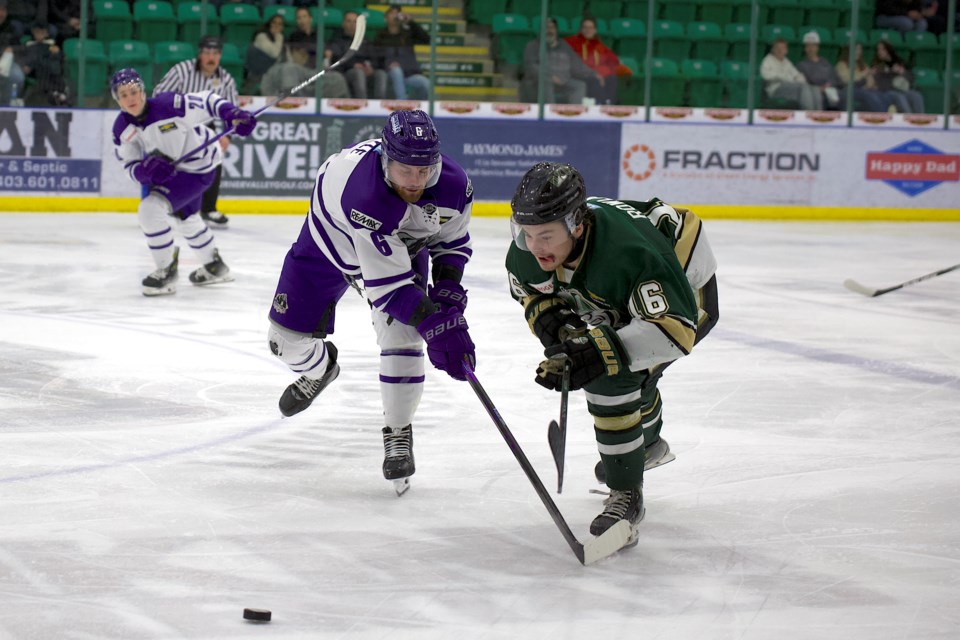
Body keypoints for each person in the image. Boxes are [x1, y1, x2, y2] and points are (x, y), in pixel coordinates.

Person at [505, 162, 718, 543]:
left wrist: (594, 352)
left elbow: (675, 331)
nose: (535, 247)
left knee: (614, 371)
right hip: (622, 292)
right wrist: (558, 330)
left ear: (576, 224)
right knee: (614, 364)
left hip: (683, 284)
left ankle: (627, 492)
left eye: (547, 236)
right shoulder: (531, 247)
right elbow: (531, 291)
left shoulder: (630, 255)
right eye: (527, 234)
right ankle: (646, 446)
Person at [267, 110, 475, 495]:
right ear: (384, 159)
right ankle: (320, 369)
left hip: (399, 246)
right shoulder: (363, 194)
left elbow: (451, 244)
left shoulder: (454, 185)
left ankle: (398, 431)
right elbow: (392, 290)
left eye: (423, 171)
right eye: (403, 171)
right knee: (284, 343)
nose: (414, 183)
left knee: (405, 336)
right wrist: (439, 326)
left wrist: (447, 297)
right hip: (328, 249)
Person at [111, 68, 256, 295]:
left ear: (142, 91)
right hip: (177, 172)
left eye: (133, 91)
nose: (130, 98)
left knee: (150, 210)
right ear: (117, 100)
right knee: (186, 216)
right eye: (123, 95)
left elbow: (208, 101)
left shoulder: (170, 106)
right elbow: (129, 164)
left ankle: (166, 270)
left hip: (199, 167)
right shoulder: (122, 128)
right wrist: (145, 172)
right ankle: (215, 267)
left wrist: (232, 113)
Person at [154, 36, 239, 229]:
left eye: (215, 53)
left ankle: (208, 209)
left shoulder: (225, 79)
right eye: (207, 53)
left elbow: (232, 110)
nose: (211, 57)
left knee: (213, 156)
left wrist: (227, 134)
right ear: (200, 54)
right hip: (174, 122)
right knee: (168, 162)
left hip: (203, 126)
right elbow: (159, 95)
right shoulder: (182, 71)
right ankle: (164, 204)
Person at [520, 17, 596, 104]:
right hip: (538, 83)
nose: (549, 30)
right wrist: (550, 76)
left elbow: (577, 65)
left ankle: (574, 114)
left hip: (562, 81)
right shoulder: (533, 46)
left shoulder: (565, 46)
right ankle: (550, 114)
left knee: (580, 85)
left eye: (552, 27)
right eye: (546, 27)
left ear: (556, 30)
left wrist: (594, 73)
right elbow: (531, 67)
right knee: (546, 83)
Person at [564, 16, 629, 105]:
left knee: (612, 78)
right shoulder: (571, 42)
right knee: (595, 80)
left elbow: (613, 61)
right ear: (581, 29)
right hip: (579, 74)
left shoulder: (599, 45)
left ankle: (608, 105)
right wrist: (596, 74)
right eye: (585, 27)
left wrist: (625, 71)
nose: (588, 30)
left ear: (595, 30)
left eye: (590, 28)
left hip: (596, 74)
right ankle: (599, 106)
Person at [373, 4, 431, 100]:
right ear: (386, 18)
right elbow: (376, 57)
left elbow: (426, 40)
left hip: (408, 74)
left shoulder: (407, 34)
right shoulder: (380, 36)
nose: (395, 16)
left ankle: (423, 111)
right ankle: (402, 105)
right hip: (389, 74)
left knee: (425, 83)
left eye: (397, 13)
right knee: (396, 71)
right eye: (392, 13)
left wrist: (411, 22)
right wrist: (388, 65)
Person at [327, 9, 386, 100]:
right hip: (347, 72)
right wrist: (353, 65)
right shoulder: (337, 41)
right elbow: (336, 61)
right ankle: (362, 104)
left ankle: (380, 104)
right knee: (358, 73)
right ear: (343, 24)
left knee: (381, 74)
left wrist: (371, 67)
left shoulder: (366, 41)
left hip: (366, 71)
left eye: (355, 22)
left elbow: (375, 58)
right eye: (349, 21)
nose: (352, 24)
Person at [260, 40, 349, 98]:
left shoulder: (308, 69)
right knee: (289, 69)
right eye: (301, 53)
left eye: (306, 54)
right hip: (288, 102)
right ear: (292, 52)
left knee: (337, 77)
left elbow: (314, 76)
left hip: (311, 91)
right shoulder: (284, 68)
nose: (304, 56)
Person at [759, 37, 823, 111]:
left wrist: (799, 80)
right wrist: (784, 78)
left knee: (814, 89)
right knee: (803, 88)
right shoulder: (768, 60)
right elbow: (765, 75)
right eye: (777, 48)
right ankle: (808, 113)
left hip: (790, 88)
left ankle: (819, 113)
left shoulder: (786, 62)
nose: (780, 50)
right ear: (772, 49)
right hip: (776, 89)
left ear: (786, 51)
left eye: (782, 48)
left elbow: (797, 75)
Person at [19, 21, 69, 106]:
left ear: (46, 33)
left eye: (42, 33)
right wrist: (28, 65)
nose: (40, 35)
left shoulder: (50, 45)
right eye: (37, 32)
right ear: (33, 32)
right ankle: (54, 92)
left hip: (50, 69)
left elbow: (61, 57)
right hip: (34, 70)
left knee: (52, 63)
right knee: (43, 64)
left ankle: (58, 91)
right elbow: (27, 58)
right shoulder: (29, 45)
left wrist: (57, 53)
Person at [835, 43, 893, 112]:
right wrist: (863, 74)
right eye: (856, 49)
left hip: (864, 90)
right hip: (848, 90)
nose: (858, 52)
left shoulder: (863, 65)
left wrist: (869, 83)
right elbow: (847, 79)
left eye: (860, 49)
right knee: (868, 95)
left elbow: (871, 82)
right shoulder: (841, 65)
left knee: (882, 95)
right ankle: (883, 116)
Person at [871, 39, 925, 113]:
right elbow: (880, 84)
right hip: (887, 92)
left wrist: (902, 72)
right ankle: (908, 120)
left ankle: (919, 120)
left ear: (888, 50)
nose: (880, 52)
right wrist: (889, 73)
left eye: (882, 49)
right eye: (878, 49)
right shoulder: (876, 65)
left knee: (916, 96)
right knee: (899, 97)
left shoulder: (898, 62)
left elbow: (911, 78)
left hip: (901, 90)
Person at [796, 31, 844, 110]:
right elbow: (804, 85)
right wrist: (820, 88)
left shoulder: (825, 62)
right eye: (808, 46)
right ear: (805, 48)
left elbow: (836, 78)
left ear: (817, 47)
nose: (810, 49)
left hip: (832, 90)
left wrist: (829, 85)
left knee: (845, 96)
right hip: (816, 92)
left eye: (813, 46)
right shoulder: (801, 66)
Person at [244, 14, 286, 94]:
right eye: (274, 22)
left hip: (274, 75)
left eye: (280, 24)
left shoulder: (281, 41)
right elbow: (275, 54)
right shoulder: (261, 36)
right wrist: (279, 36)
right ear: (269, 24)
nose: (276, 25)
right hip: (259, 75)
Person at [0, 0, 26, 106]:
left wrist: (11, 49)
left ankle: (7, 106)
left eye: (3, 10)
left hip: (7, 62)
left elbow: (21, 47)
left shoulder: (11, 27)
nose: (1, 14)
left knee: (17, 76)